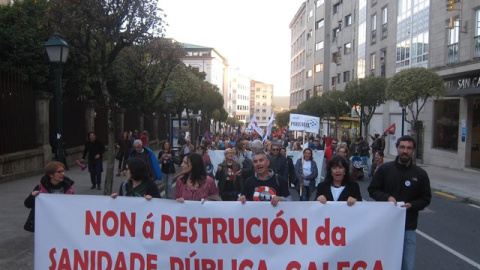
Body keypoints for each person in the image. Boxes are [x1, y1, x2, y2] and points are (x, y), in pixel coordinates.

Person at [368, 135, 431, 270]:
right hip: (386, 227)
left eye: (408, 148)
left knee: (408, 265)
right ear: (397, 148)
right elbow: (372, 190)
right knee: (385, 264)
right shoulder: (385, 170)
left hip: (408, 227)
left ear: (413, 150)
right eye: (402, 147)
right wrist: (387, 198)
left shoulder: (420, 174)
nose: (405, 151)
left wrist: (412, 205)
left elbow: (426, 198)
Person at [24, 162, 74, 232]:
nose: (63, 174)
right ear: (51, 174)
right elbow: (27, 204)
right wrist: (32, 196)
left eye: (63, 171)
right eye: (59, 172)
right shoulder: (40, 187)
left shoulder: (68, 187)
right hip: (45, 223)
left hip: (61, 223)